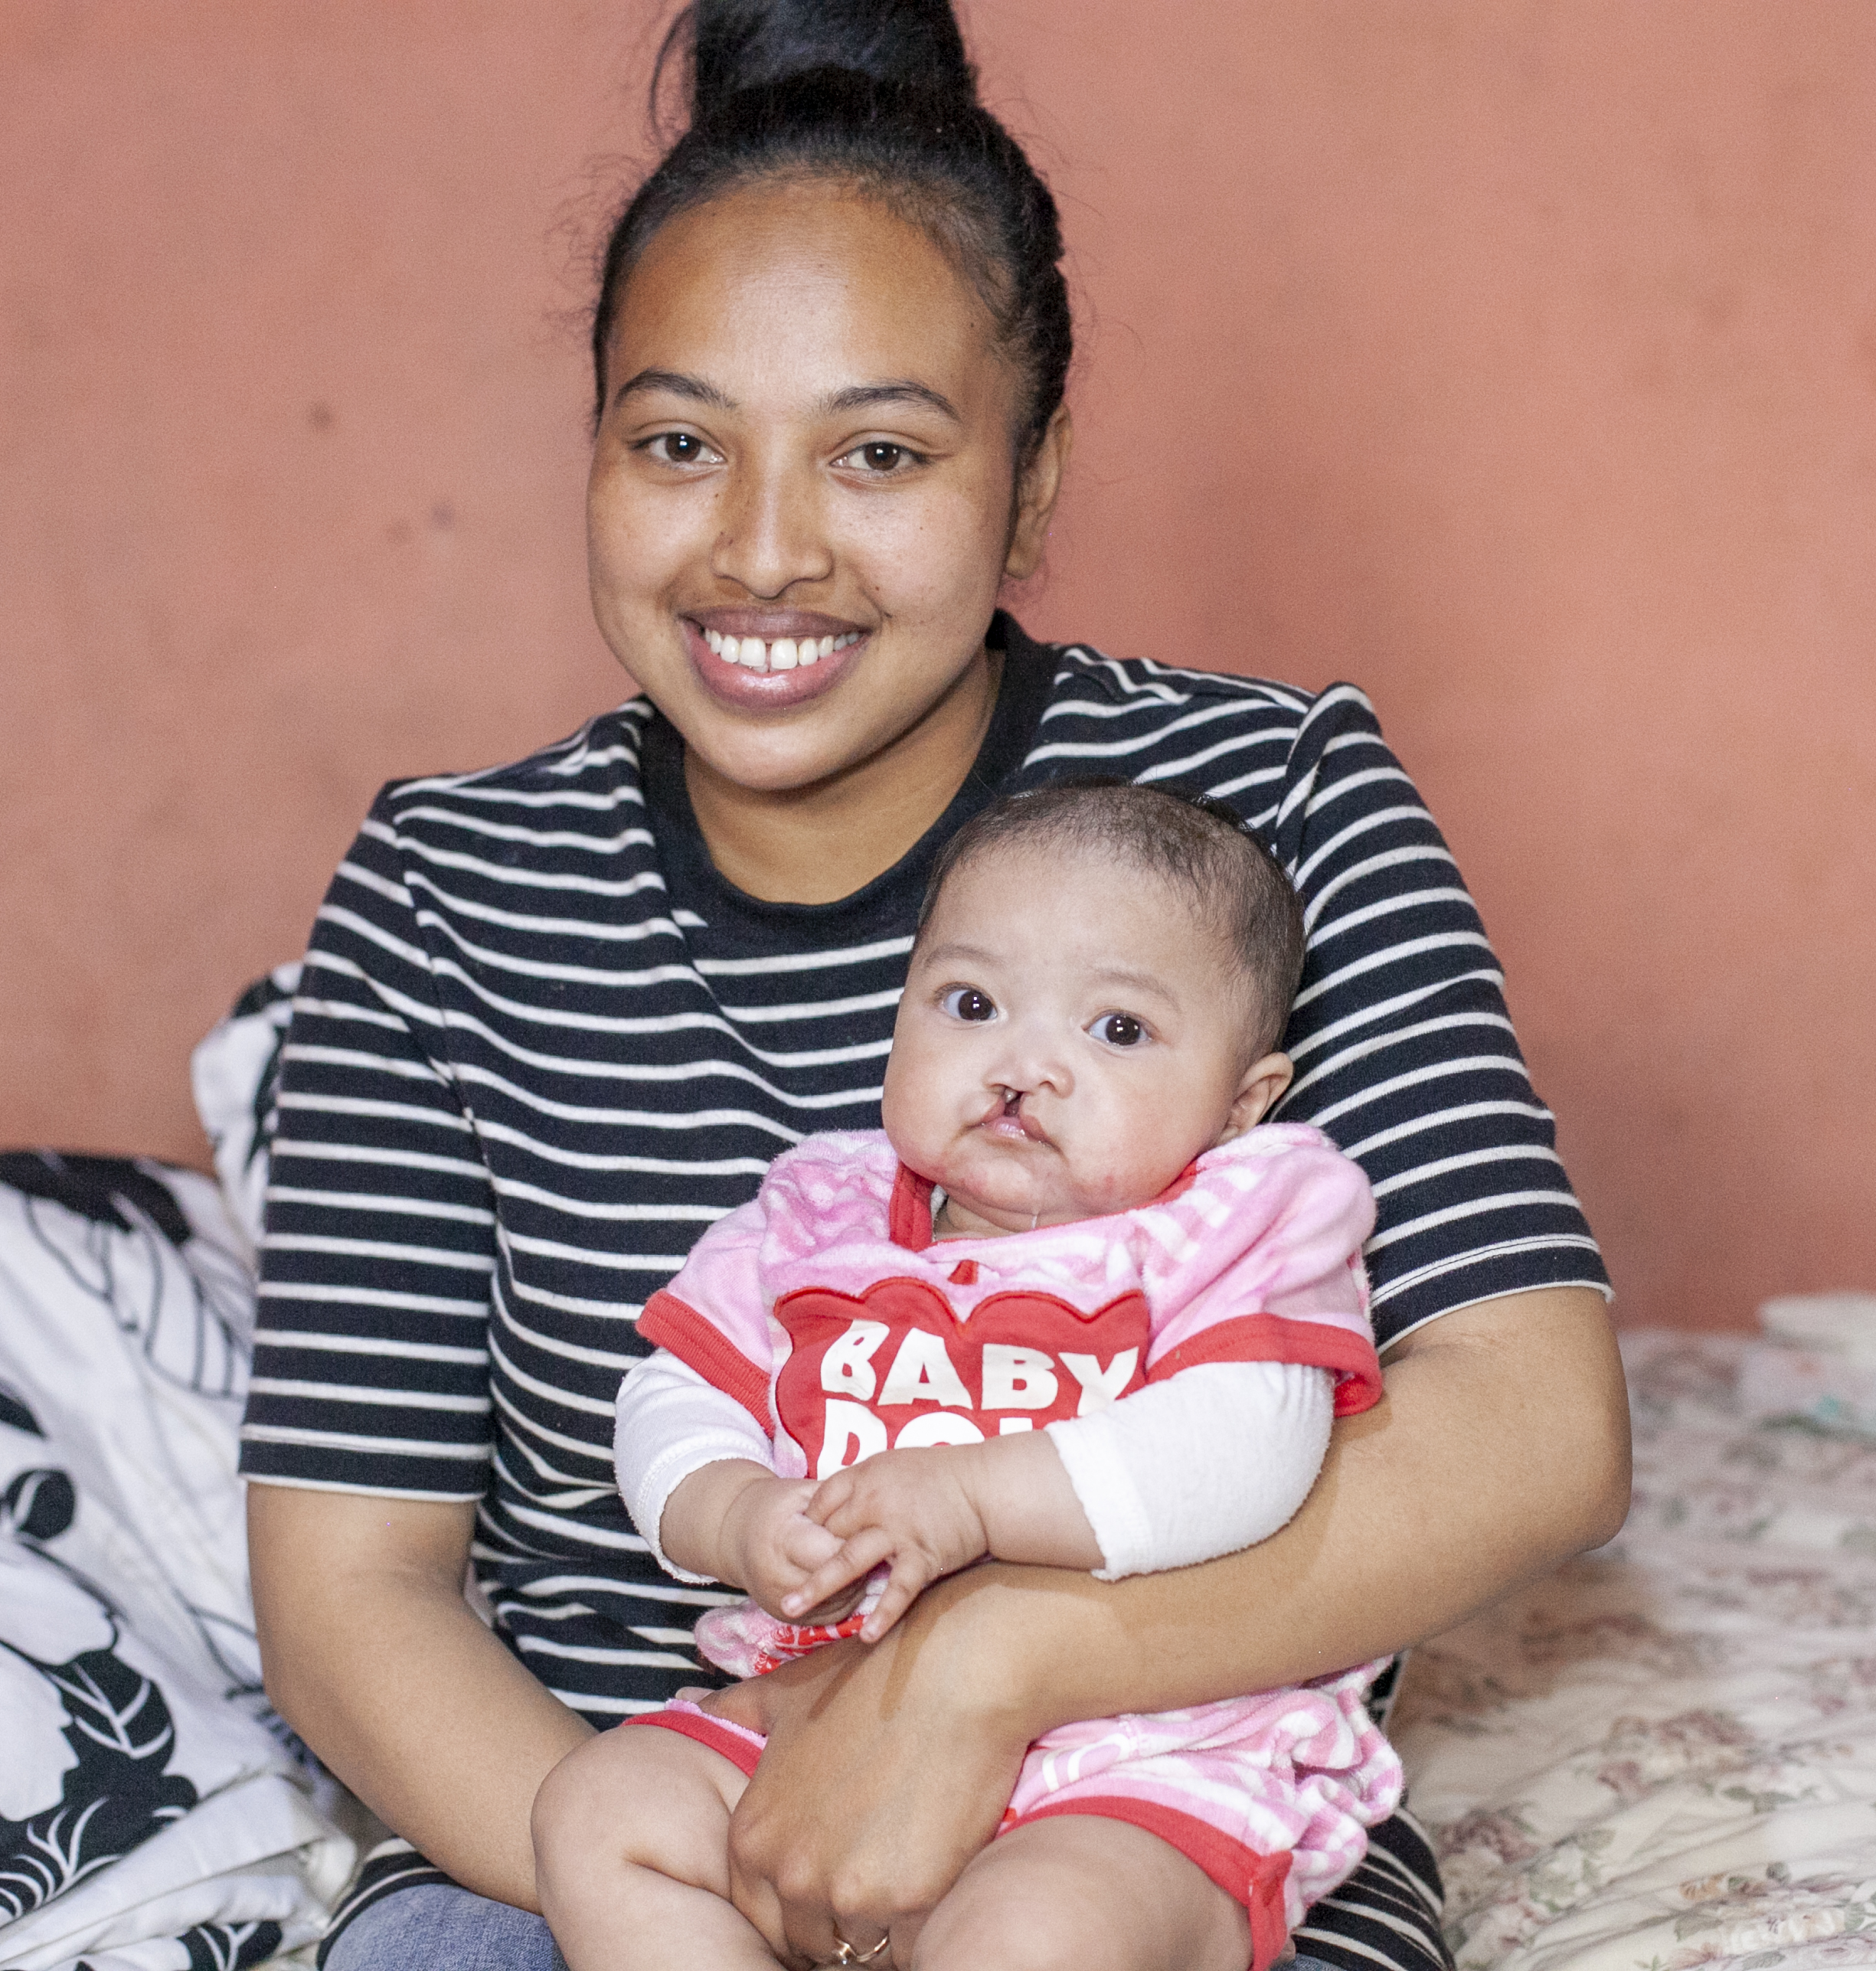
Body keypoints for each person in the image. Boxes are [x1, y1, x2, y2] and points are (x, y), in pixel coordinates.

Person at [239, 2, 1631, 1966]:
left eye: (877, 451)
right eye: (675, 444)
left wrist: (986, 1676)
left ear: (1033, 485)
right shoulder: (451, 885)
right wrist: (677, 1876)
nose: (763, 551)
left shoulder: (1264, 804)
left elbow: (1530, 1422)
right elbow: (351, 1588)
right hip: (583, 1835)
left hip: (1142, 1842)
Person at [536, 784, 1407, 1971]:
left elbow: (1251, 1444)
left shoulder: (1226, 1228)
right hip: (819, 1720)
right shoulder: (818, 1216)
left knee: (1038, 1934)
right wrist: (732, 1510)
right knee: (603, 1809)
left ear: (1240, 1101)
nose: (1022, 1064)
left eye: (1117, 1030)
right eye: (971, 1003)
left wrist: (974, 1495)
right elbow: (675, 1391)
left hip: (1132, 1753)